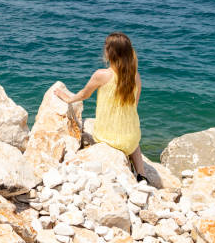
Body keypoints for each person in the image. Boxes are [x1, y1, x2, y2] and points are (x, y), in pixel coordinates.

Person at [55, 32, 148, 182]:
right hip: (131, 139)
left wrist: (68, 98)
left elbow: (84, 94)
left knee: (93, 130)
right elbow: (134, 106)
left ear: (109, 52)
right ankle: (142, 174)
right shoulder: (135, 76)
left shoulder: (102, 75)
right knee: (134, 141)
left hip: (107, 138)